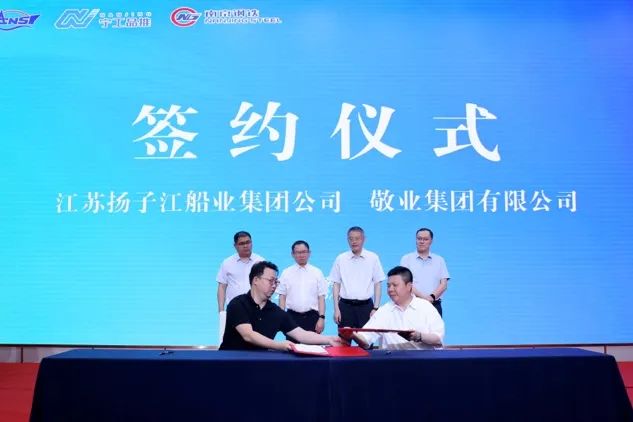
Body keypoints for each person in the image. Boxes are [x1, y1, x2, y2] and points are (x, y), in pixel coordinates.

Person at [220, 261, 344, 351]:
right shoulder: (238, 304)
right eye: (271, 281)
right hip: (231, 361)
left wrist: (329, 339)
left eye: (276, 282)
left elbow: (300, 334)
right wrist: (278, 345)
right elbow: (248, 335)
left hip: (259, 363)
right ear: (255, 280)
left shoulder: (275, 311)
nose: (274, 285)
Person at [343, 266, 444, 350]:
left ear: (409, 286)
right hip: (391, 362)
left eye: (395, 285)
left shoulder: (426, 307)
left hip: (422, 361)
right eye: (388, 286)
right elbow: (365, 341)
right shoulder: (384, 311)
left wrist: (419, 336)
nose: (390, 289)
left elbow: (438, 339)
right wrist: (353, 335)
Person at [329, 226, 385, 329]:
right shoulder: (341, 258)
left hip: (366, 307)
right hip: (345, 307)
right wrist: (336, 309)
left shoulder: (373, 258)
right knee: (344, 338)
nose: (354, 242)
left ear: (364, 239)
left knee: (366, 338)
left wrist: (376, 308)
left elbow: (377, 283)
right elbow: (336, 284)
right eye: (351, 239)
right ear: (347, 240)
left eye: (357, 238)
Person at [277, 241, 327, 340]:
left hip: (312, 317)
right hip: (292, 317)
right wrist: (282, 317)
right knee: (292, 347)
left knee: (313, 347)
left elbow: (321, 297)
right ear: (292, 254)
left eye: (304, 252)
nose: (301, 255)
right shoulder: (286, 273)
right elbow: (282, 297)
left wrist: (321, 318)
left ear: (309, 253)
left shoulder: (317, 272)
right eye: (298, 252)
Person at [400, 228, 450, 317]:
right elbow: (405, 283)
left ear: (431, 241)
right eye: (419, 238)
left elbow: (443, 284)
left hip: (434, 304)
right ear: (416, 240)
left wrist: (431, 297)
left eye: (425, 239)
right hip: (412, 304)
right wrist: (424, 299)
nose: (422, 242)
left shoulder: (439, 260)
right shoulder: (406, 259)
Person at [216, 231, 264, 313]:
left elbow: (266, 286)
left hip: (256, 308)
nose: (245, 246)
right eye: (241, 243)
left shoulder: (260, 262)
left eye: (248, 242)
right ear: (235, 246)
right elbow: (222, 287)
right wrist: (221, 310)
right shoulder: (227, 263)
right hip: (234, 309)